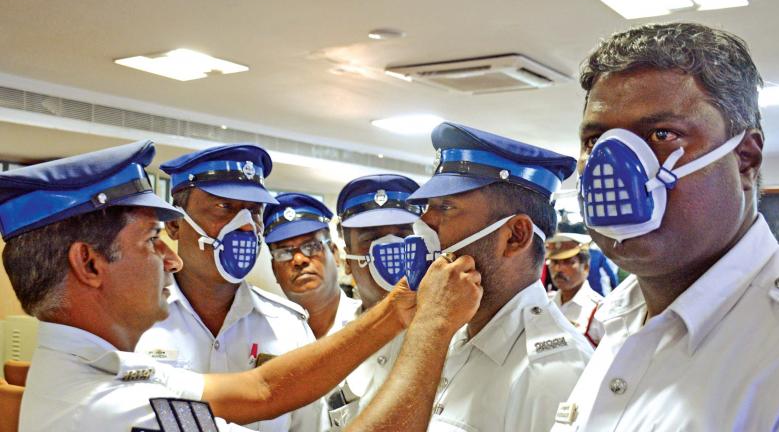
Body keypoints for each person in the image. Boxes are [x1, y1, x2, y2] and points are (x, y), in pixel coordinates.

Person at [0, 140, 481, 432]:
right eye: (151, 241)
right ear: (88, 264)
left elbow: (261, 390)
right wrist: (432, 329)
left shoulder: (104, 369)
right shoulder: (117, 409)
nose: (169, 256)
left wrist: (400, 309)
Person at [551, 22, 779, 431]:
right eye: (597, 142)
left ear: (745, 159)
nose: (613, 170)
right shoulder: (621, 318)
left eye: (661, 134)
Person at [349, 122, 594, 432]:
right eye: (427, 208)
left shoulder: (552, 373)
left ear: (515, 236)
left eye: (446, 207)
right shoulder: (452, 336)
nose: (424, 224)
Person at [135, 145, 319, 431]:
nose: (245, 227)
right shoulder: (132, 322)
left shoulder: (288, 328)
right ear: (174, 225)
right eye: (225, 208)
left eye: (254, 212)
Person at [323, 174, 421, 429]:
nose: (391, 247)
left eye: (404, 234)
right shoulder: (336, 343)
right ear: (348, 260)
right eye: (370, 238)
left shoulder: (449, 334)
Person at [264, 193, 362, 340]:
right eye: (284, 252)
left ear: (335, 254)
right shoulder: (264, 334)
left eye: (311, 246)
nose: (298, 259)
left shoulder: (371, 323)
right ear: (274, 270)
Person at [545, 233, 603, 345]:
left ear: (585, 267)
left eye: (568, 262)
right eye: (554, 262)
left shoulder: (599, 310)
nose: (558, 269)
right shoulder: (546, 303)